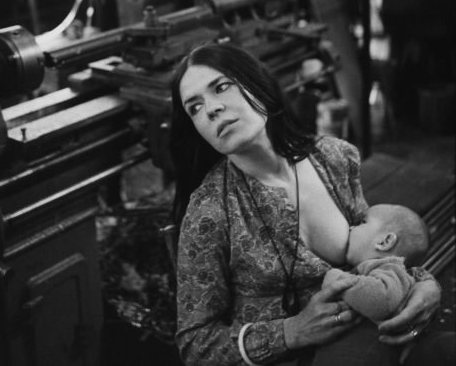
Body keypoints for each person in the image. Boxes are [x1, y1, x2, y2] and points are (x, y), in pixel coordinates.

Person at [170, 42, 451, 366]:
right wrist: (292, 332)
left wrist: (424, 287)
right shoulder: (210, 212)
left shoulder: (333, 158)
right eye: (194, 107)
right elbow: (195, 345)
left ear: (257, 84)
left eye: (221, 88)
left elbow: (380, 248)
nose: (211, 109)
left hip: (369, 338)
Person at [322, 203, 429, 323]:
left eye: (362, 222)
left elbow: (380, 301)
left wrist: (336, 279)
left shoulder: (390, 269)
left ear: (385, 242)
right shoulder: (385, 270)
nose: (351, 227)